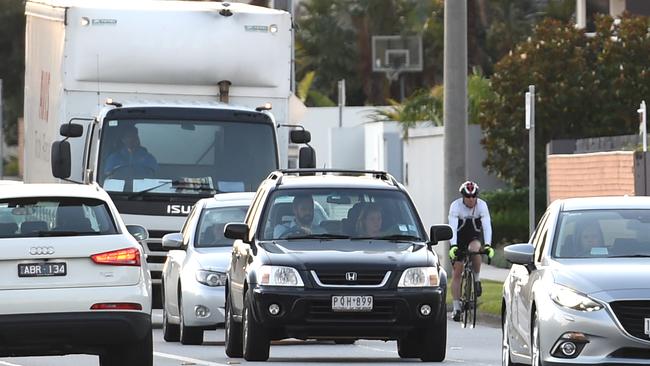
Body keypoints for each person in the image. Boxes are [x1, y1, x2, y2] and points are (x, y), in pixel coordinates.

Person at [448, 180, 494, 322]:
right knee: (457, 271)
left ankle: (477, 278)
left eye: (474, 196)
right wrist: (453, 246)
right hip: (459, 239)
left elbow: (487, 226)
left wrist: (488, 245)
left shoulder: (482, 206)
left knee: (475, 249)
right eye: (468, 196)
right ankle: (456, 307)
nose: (471, 199)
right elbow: (453, 228)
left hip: (474, 236)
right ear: (463, 197)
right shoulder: (455, 206)